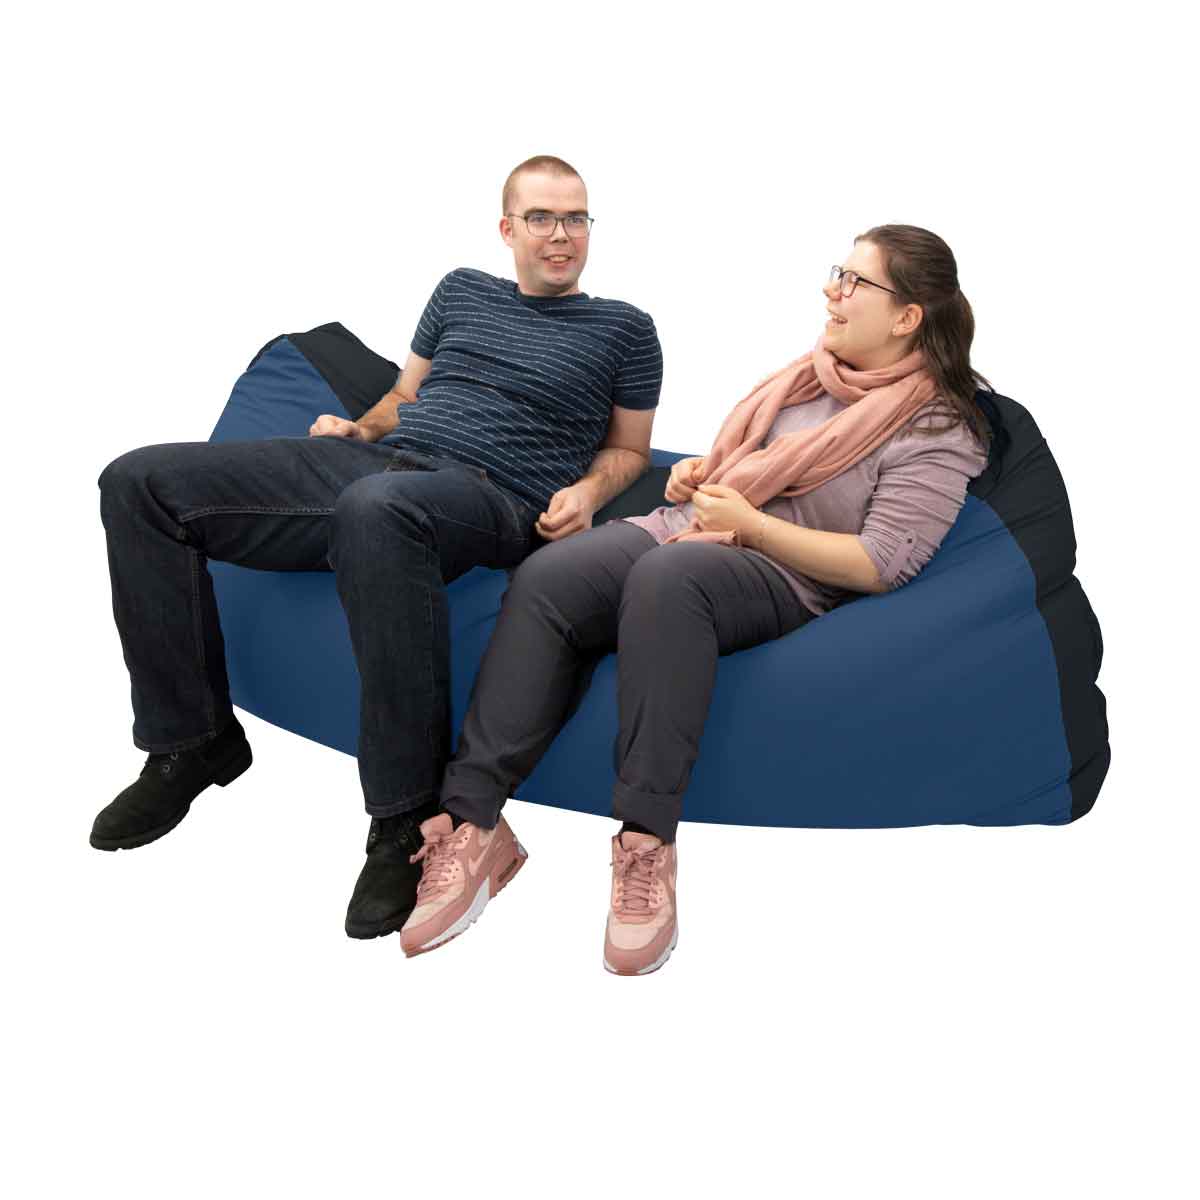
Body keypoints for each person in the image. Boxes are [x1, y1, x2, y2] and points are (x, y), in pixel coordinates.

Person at [91, 155, 664, 942]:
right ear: (507, 229)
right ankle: (191, 743)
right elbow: (403, 396)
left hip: (493, 497)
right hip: (379, 467)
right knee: (137, 481)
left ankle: (404, 818)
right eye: (542, 217)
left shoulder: (625, 329)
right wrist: (359, 428)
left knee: (378, 509)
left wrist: (591, 492)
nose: (561, 235)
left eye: (576, 218)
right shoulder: (460, 291)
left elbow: (630, 451)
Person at [397, 225, 995, 975]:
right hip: (691, 527)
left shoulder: (938, 426)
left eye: (854, 282)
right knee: (552, 575)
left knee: (668, 580)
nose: (831, 291)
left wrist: (751, 525)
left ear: (907, 316)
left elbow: (882, 563)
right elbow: (746, 468)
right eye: (837, 273)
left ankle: (645, 843)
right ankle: (475, 824)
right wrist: (702, 476)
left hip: (785, 572)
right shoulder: (810, 377)